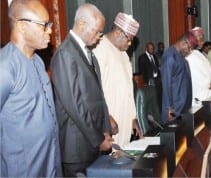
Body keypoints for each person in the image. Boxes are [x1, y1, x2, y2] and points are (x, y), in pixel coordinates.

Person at [0, 0, 62, 176]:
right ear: (22, 26)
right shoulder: (5, 66)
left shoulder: (38, 61)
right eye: (44, 25)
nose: (50, 30)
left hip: (49, 161)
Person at [50, 3, 113, 176]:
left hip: (92, 142)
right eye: (97, 31)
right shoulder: (65, 54)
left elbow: (98, 97)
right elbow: (75, 105)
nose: (99, 36)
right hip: (77, 148)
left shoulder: (88, 53)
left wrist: (105, 130)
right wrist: (99, 139)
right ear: (81, 24)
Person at [93, 12, 142, 147]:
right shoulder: (99, 48)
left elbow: (129, 89)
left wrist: (133, 117)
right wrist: (106, 117)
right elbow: (95, 89)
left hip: (125, 118)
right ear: (117, 32)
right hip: (110, 119)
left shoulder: (124, 55)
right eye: (128, 39)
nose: (130, 43)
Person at [160, 32, 198, 123]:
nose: (189, 52)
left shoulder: (181, 56)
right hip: (174, 110)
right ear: (183, 43)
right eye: (189, 48)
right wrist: (170, 109)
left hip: (183, 108)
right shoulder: (170, 57)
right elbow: (166, 84)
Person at [186, 27, 211, 108]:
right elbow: (197, 78)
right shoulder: (187, 57)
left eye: (202, 39)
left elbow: (210, 72)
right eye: (199, 39)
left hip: (210, 96)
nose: (202, 42)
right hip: (199, 99)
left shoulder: (199, 54)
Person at [138, 42, 162, 111]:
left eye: (153, 48)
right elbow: (141, 72)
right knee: (151, 100)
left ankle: (159, 112)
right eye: (150, 48)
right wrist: (145, 83)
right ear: (146, 48)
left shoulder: (154, 56)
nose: (152, 50)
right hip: (149, 82)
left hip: (157, 80)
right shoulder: (142, 57)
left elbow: (157, 67)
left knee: (158, 98)